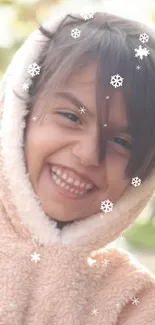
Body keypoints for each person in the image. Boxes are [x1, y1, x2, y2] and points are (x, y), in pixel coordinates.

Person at [0, 6, 155, 325]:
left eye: (121, 142)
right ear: (20, 114)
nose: (88, 155)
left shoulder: (133, 302)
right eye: (71, 117)